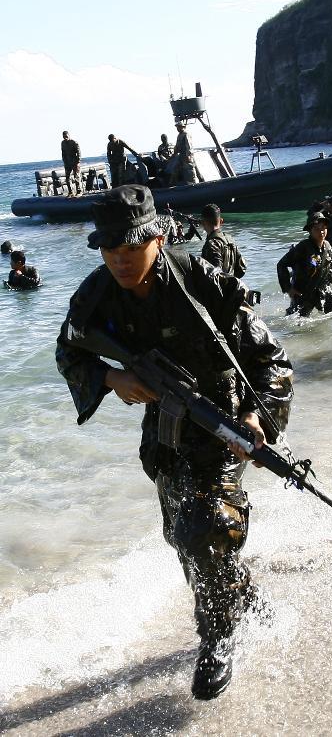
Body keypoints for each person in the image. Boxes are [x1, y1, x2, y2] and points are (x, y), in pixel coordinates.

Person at [55, 185, 293, 701]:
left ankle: (218, 637)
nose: (119, 259)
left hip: (223, 422)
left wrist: (257, 415)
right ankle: (241, 595)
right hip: (165, 434)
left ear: (157, 239)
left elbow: (273, 360)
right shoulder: (94, 296)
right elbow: (69, 352)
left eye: (130, 248)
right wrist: (112, 380)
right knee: (183, 539)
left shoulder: (206, 284)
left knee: (203, 527)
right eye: (109, 250)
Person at [277, 211, 332, 316]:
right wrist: (289, 288)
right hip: (303, 291)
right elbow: (281, 264)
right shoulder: (303, 247)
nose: (321, 232)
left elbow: (325, 267)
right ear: (310, 231)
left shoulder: (327, 246)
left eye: (323, 228)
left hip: (321, 288)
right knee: (296, 321)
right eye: (317, 229)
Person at [200, 204, 247, 278]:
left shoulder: (211, 244)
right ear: (221, 221)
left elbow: (215, 274)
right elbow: (241, 269)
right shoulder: (230, 239)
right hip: (232, 286)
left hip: (219, 288)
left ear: (202, 223)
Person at [61, 130, 82, 195]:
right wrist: (64, 161)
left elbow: (79, 152)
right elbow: (63, 153)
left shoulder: (74, 142)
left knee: (76, 177)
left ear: (69, 135)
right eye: (64, 137)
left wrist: (78, 161)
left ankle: (79, 191)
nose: (65, 138)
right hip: (67, 163)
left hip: (74, 162)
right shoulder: (63, 143)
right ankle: (70, 191)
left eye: (66, 136)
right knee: (67, 178)